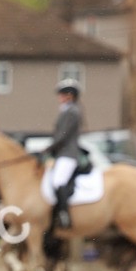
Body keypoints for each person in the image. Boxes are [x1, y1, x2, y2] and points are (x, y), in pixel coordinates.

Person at [49, 78, 84, 229]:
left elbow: (62, 135)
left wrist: (49, 147)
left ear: (70, 95)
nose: (59, 97)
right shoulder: (67, 110)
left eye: (62, 94)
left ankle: (64, 216)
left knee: (58, 182)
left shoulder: (72, 111)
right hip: (63, 153)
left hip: (68, 154)